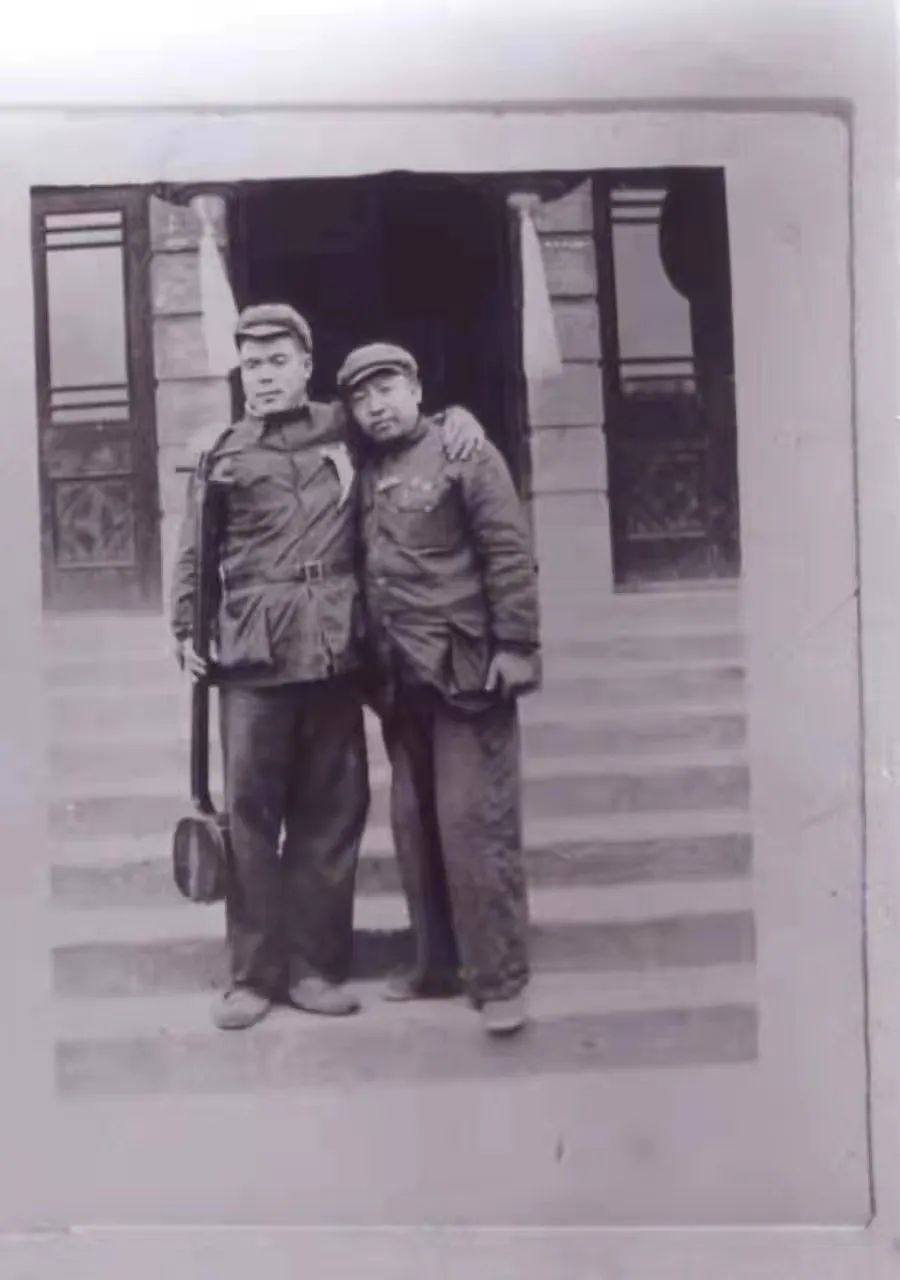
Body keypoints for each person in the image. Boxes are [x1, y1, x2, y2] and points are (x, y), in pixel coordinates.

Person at [170, 305, 484, 1031]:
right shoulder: (222, 450)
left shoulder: (344, 427)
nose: (264, 376)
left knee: (331, 817)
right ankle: (253, 977)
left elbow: (405, 424)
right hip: (252, 656)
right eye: (253, 364)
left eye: (278, 361)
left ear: (306, 366)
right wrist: (185, 628)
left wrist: (457, 417)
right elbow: (194, 550)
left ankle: (314, 968)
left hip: (335, 652)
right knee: (251, 819)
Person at [338, 342, 541, 1036]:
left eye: (387, 388)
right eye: (361, 398)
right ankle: (436, 965)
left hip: (468, 673)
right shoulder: (366, 468)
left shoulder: (466, 452)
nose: (376, 406)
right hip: (402, 681)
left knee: (473, 827)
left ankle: (500, 980)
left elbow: (507, 550)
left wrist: (517, 645)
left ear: (417, 388)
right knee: (414, 829)